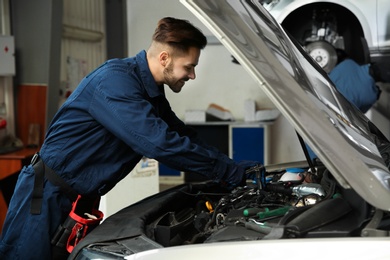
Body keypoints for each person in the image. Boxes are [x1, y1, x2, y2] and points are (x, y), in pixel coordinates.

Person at [0, 17, 260, 260]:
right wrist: (226, 171)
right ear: (165, 58)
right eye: (189, 67)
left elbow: (181, 135)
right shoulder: (116, 82)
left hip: (78, 200)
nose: (192, 75)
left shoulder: (151, 92)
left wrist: (234, 168)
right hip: (46, 198)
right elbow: (160, 143)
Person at [329, 49, 381, 113]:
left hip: (321, 92)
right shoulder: (372, 96)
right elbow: (360, 113)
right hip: (336, 112)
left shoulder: (348, 63)